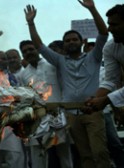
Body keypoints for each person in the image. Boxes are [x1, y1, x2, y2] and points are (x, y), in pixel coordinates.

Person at [24, 0, 110, 167]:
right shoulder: (60, 61)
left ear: (82, 41)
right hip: (71, 114)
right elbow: (39, 46)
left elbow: (103, 34)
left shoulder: (94, 57)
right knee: (84, 154)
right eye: (67, 40)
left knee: (99, 151)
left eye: (74, 39)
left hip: (92, 110)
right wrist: (31, 23)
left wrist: (92, 9)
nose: (71, 42)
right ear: (64, 44)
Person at [19, 40, 73, 168]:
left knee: (64, 155)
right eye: (25, 51)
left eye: (31, 49)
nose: (28, 52)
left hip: (58, 116)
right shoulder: (24, 74)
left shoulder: (52, 65)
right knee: (38, 155)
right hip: (37, 120)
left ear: (37, 50)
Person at [84, 4, 124, 168]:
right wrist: (95, 100)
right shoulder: (111, 46)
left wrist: (106, 100)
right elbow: (110, 80)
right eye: (109, 23)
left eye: (114, 24)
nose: (110, 29)